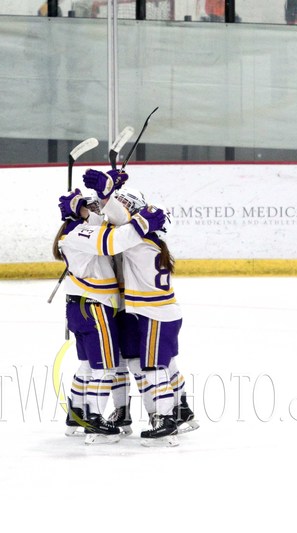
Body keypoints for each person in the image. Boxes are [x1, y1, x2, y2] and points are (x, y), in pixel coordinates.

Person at [83, 168, 198, 447]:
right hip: (149, 312)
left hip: (151, 313)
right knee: (157, 364)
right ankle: (179, 411)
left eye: (125, 204)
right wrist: (106, 196)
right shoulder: (149, 239)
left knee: (152, 367)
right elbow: (115, 222)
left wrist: (108, 193)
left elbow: (121, 225)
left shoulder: (137, 240)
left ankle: (166, 418)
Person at [53, 186, 167, 444]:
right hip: (95, 307)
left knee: (87, 366)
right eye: (87, 205)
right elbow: (112, 241)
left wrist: (106, 196)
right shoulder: (81, 233)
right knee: (105, 368)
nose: (94, 208)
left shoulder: (76, 231)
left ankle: (77, 414)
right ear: (78, 212)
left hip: (79, 306)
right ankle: (94, 422)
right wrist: (142, 222)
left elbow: (101, 223)